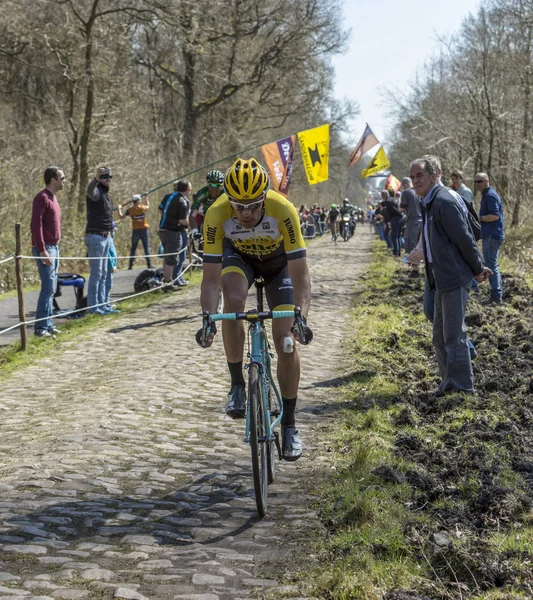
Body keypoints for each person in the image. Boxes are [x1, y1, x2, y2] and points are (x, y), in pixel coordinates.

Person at [197, 157, 312, 461]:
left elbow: (301, 275)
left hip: (279, 268)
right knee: (232, 302)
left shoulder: (283, 210)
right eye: (239, 206)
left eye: (253, 206)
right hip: (240, 260)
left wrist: (300, 316)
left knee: (286, 342)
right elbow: (209, 280)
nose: (246, 214)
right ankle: (237, 385)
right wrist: (207, 316)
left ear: (264, 197)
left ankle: (289, 424)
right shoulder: (216, 213)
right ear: (228, 201)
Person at [409, 155, 491, 396]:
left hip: (454, 277)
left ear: (436, 175)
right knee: (439, 337)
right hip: (440, 278)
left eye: (420, 176)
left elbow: (464, 239)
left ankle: (463, 388)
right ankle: (448, 383)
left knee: (454, 337)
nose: (415, 181)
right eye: (413, 177)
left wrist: (478, 268)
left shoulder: (444, 201)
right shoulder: (428, 201)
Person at [30, 166, 65, 337]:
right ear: (53, 179)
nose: (64, 181)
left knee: (52, 288)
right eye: (62, 178)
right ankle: (40, 328)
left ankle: (49, 324)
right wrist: (43, 250)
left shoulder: (54, 198)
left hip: (54, 247)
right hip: (45, 248)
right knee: (48, 287)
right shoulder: (42, 198)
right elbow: (35, 226)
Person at [85, 166, 114, 315]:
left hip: (106, 237)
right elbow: (89, 191)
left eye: (109, 177)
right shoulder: (95, 191)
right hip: (96, 237)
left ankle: (103, 305)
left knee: (104, 273)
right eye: (104, 177)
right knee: (96, 274)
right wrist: (95, 179)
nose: (108, 179)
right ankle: (93, 307)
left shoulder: (106, 194)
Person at [474, 173, 505, 304]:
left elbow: (495, 216)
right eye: (475, 182)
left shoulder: (490, 195)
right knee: (491, 263)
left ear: (486, 181)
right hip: (490, 234)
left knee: (492, 264)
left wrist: (479, 218)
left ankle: (496, 295)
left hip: (493, 235)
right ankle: (495, 294)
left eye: (479, 181)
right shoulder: (487, 195)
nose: (477, 184)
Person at [158, 180, 190, 289]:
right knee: (171, 258)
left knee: (168, 257)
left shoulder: (168, 196)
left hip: (162, 230)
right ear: (187, 189)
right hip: (172, 232)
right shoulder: (182, 201)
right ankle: (168, 283)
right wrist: (192, 226)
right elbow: (183, 221)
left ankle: (168, 280)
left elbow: (160, 209)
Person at [118, 194, 152, 270]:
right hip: (143, 230)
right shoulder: (142, 208)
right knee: (146, 247)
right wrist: (146, 197)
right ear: (138, 201)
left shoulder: (130, 210)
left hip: (136, 231)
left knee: (133, 248)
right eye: (140, 200)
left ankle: (130, 266)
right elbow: (147, 205)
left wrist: (119, 209)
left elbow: (121, 216)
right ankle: (149, 264)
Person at [399, 177, 422, 276]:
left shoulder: (406, 193)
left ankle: (415, 269)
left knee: (411, 244)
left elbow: (401, 209)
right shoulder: (419, 191)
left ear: (404, 184)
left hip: (412, 221)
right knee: (419, 244)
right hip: (422, 221)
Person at [104, 223, 120, 314]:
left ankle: (107, 302)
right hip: (109, 267)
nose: (115, 231)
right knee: (107, 285)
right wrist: (112, 265)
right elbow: (108, 254)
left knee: (109, 285)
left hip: (111, 266)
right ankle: (105, 303)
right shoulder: (108, 239)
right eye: (114, 229)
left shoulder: (111, 239)